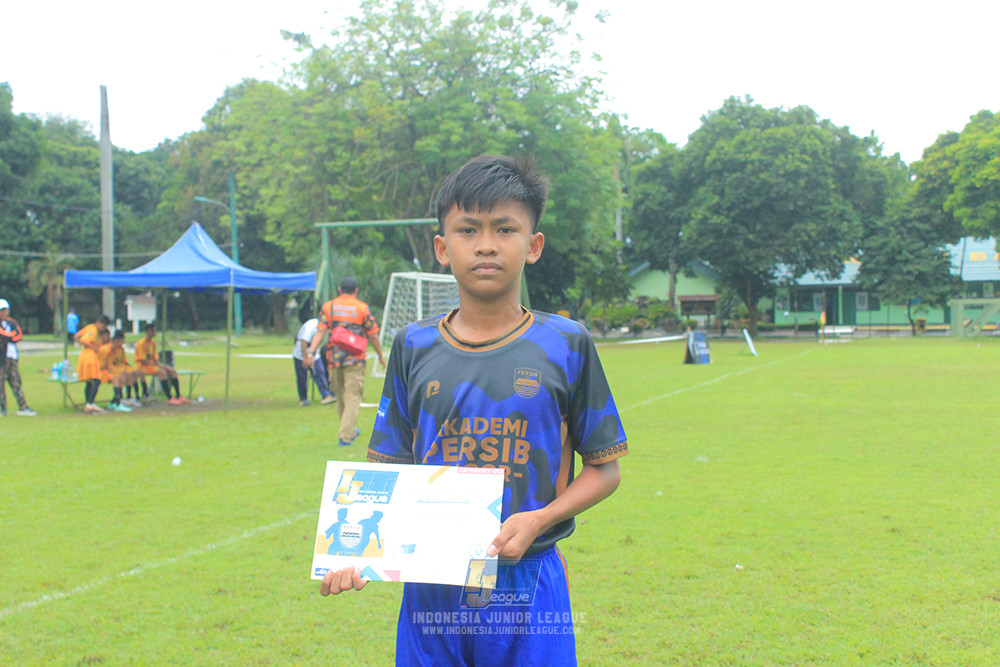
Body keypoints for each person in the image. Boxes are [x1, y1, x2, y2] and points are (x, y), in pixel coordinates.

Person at [320, 155, 628, 666]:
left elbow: (605, 470)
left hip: (528, 582)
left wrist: (540, 519)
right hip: (432, 583)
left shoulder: (566, 343)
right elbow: (388, 470)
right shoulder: (413, 345)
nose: (486, 244)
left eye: (505, 229)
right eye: (468, 230)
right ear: (443, 248)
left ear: (533, 245)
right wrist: (352, 553)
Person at [305, 278, 386, 446]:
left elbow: (320, 332)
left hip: (334, 360)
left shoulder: (329, 307)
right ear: (356, 291)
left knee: (341, 396)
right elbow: (372, 335)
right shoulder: (362, 308)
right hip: (356, 360)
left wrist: (311, 352)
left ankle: (348, 430)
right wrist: (380, 355)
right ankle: (345, 435)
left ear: (340, 290)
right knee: (353, 397)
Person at [0, 298, 37, 417]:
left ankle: (23, 406)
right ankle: (2, 408)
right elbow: (4, 336)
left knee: (16, 382)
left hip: (12, 357)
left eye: (5, 310)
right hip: (1, 359)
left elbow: (18, 336)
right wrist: (10, 336)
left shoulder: (12, 322)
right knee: (1, 384)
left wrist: (9, 337)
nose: (3, 313)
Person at [134, 324, 187, 405]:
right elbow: (142, 360)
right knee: (162, 373)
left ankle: (178, 395)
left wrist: (163, 366)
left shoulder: (153, 344)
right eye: (152, 331)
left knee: (172, 371)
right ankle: (169, 397)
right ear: (146, 331)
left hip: (151, 365)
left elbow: (155, 359)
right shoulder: (142, 343)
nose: (154, 332)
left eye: (154, 330)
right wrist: (155, 365)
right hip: (143, 366)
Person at [293, 317, 335, 407]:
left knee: (320, 372)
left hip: (314, 354)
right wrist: (305, 358)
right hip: (300, 354)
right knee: (302, 377)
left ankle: (326, 395)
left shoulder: (324, 329)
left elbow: (319, 342)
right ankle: (303, 399)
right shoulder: (310, 327)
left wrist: (312, 356)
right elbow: (304, 342)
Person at [99, 330, 144, 412]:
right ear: (116, 341)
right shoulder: (105, 349)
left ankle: (124, 399)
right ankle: (117, 403)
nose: (122, 343)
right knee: (118, 378)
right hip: (102, 370)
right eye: (121, 341)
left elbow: (123, 362)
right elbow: (103, 366)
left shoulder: (120, 349)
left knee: (129, 374)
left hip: (115, 369)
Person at [75, 315, 111, 414]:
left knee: (90, 381)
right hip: (90, 356)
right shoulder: (93, 330)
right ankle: (90, 403)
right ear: (100, 323)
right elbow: (84, 340)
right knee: (97, 379)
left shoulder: (88, 327)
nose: (103, 329)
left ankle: (88, 403)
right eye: (103, 326)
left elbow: (76, 336)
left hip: (85, 355)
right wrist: (93, 347)